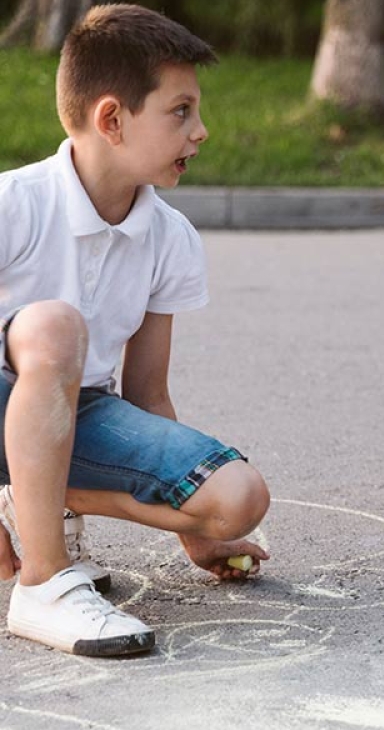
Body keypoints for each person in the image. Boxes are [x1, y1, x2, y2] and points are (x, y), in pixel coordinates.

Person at [0, 4, 271, 657]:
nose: (201, 131)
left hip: (73, 415)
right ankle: (44, 579)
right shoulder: (14, 205)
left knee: (238, 497)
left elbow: (147, 394)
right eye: (181, 112)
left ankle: (28, 502)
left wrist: (198, 528)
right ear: (112, 120)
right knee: (53, 325)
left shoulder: (170, 237)